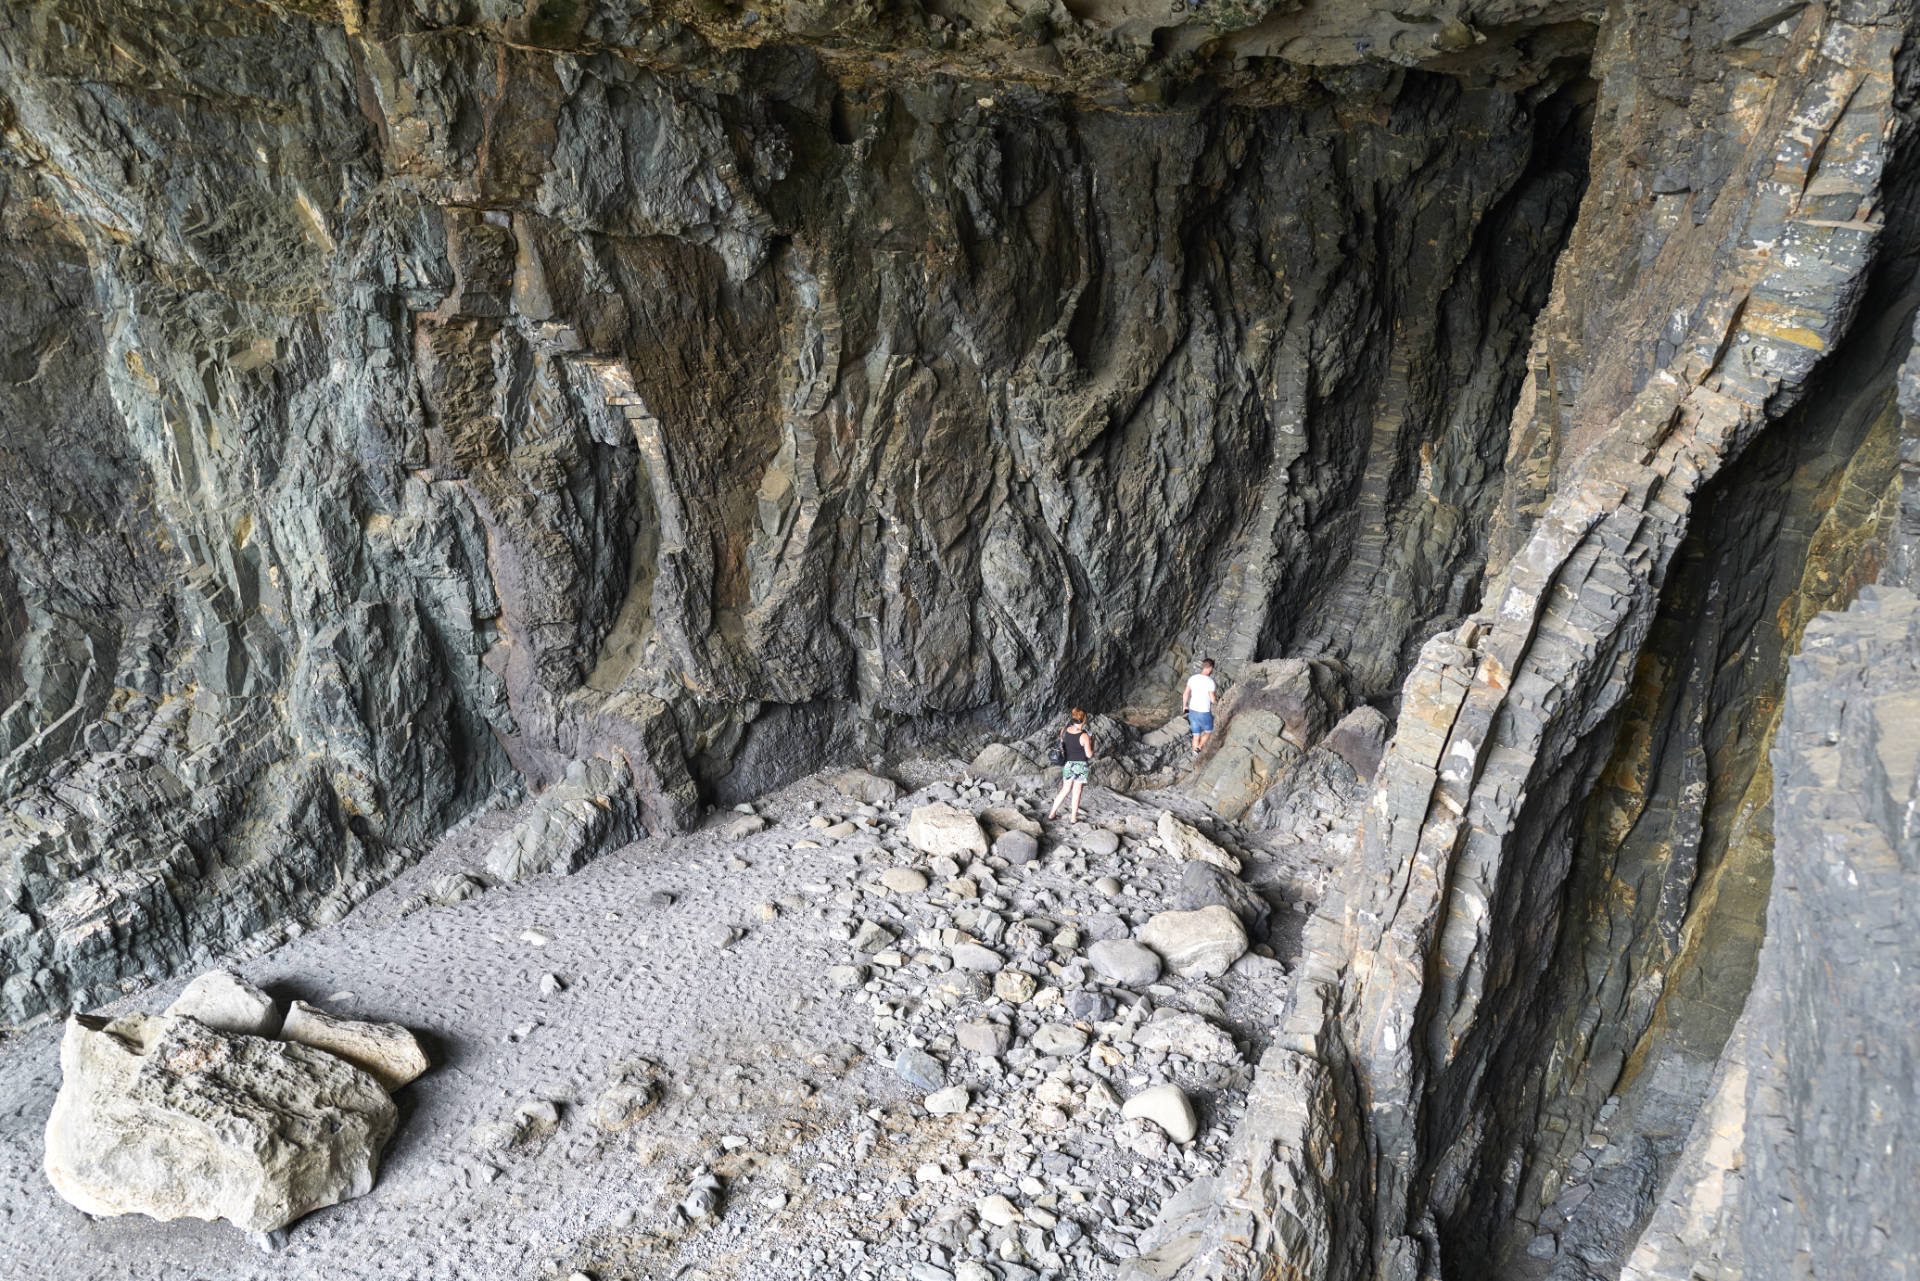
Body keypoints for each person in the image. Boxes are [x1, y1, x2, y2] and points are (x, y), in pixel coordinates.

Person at [1048, 708, 1094, 823]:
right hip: (1080, 765)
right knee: (1077, 791)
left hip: (1068, 764)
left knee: (1065, 789)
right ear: (1083, 720)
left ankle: (1052, 814)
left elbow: (1064, 744)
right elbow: (1089, 754)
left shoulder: (1064, 730)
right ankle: (1073, 818)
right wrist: (1092, 740)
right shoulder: (1084, 736)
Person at [1184, 658, 1217, 754]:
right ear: (1210, 668)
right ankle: (1199, 747)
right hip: (1203, 712)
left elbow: (1185, 694)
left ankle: (1194, 753)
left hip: (1192, 711)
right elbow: (1212, 699)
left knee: (1196, 735)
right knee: (1208, 731)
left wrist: (1185, 706)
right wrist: (1217, 701)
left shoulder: (1192, 678)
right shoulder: (1210, 681)